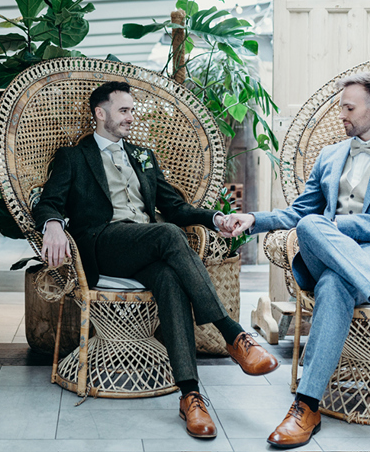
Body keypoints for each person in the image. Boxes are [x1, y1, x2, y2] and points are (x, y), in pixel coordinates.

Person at [33, 80, 279, 439]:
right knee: (167, 234)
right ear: (100, 114)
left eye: (133, 110)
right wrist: (53, 224)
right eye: (124, 110)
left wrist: (215, 219)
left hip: (145, 246)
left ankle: (190, 395)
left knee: (168, 276)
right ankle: (232, 332)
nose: (132, 117)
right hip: (103, 244)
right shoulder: (75, 157)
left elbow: (174, 207)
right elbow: (48, 202)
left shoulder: (143, 156)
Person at [228, 73, 370, 449]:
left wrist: (338, 225)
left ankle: (305, 407)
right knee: (310, 223)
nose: (341, 113)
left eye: (348, 107)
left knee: (335, 284)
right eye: (341, 105)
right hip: (326, 251)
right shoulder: (330, 155)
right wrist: (255, 220)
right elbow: (301, 214)